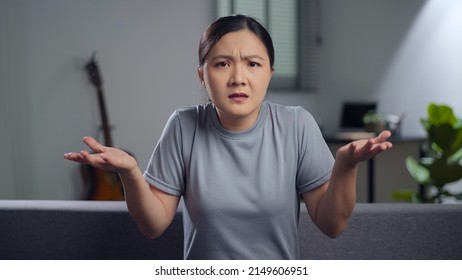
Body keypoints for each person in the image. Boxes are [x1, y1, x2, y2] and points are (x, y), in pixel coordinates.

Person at [64, 14, 392, 259]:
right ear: (202, 76)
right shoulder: (183, 126)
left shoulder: (297, 126)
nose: (238, 78)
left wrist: (345, 166)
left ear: (269, 73)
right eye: (222, 64)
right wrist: (130, 173)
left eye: (253, 64)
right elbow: (153, 225)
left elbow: (333, 225)